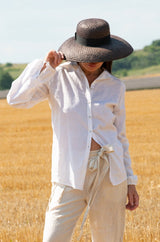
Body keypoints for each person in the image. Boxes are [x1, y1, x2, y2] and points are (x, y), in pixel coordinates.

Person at [7, 18, 139, 242]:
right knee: (53, 238)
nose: (93, 61)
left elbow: (120, 136)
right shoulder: (57, 76)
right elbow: (16, 100)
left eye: (98, 54)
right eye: (88, 53)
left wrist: (130, 181)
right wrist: (45, 66)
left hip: (110, 175)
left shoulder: (115, 86)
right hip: (68, 175)